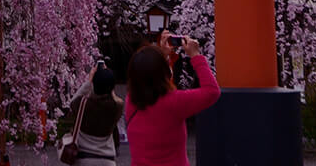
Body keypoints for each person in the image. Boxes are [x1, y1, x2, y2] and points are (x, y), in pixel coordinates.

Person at [124, 34, 220, 166]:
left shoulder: (131, 101)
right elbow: (212, 91)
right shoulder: (175, 102)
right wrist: (196, 56)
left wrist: (162, 57)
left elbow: (150, 79)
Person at [65, 62, 125, 166]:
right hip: (107, 160)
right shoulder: (116, 107)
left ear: (94, 83)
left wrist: (89, 81)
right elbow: (115, 98)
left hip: (83, 159)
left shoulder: (83, 104)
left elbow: (72, 102)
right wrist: (107, 79)